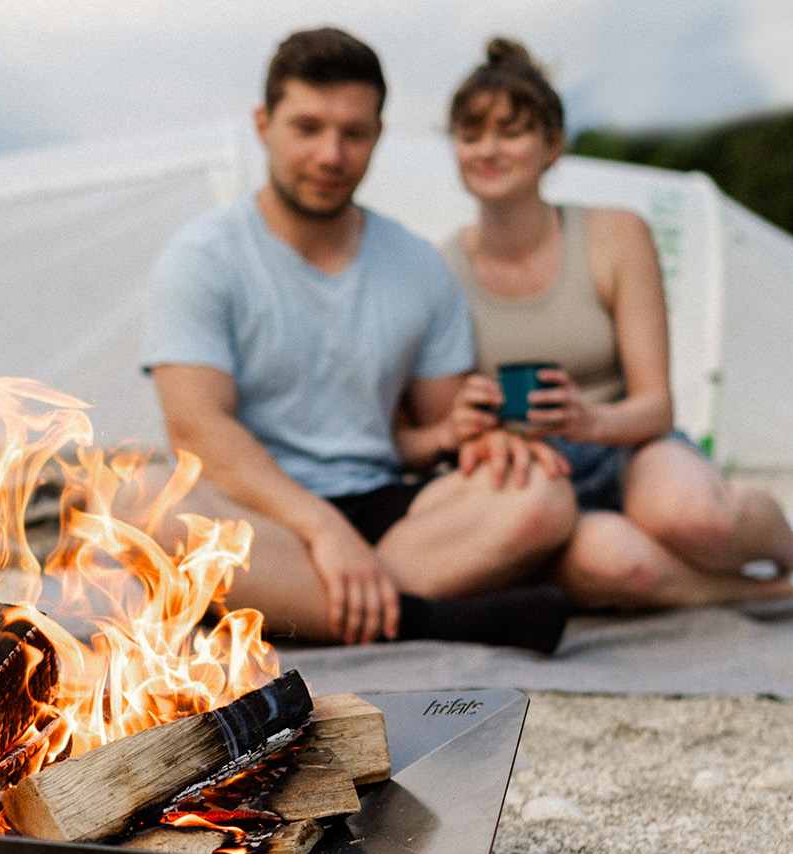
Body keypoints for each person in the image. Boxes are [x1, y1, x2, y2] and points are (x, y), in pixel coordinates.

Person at [142, 27, 576, 650]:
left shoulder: (418, 264)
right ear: (263, 125)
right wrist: (320, 529)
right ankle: (424, 620)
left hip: (385, 508)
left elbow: (441, 431)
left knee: (543, 498)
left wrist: (487, 437)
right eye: (308, 128)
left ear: (378, 134)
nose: (330, 154)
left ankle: (302, 604)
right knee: (141, 499)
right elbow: (198, 431)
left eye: (354, 133)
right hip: (256, 509)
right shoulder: (202, 258)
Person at [440, 38, 793, 610]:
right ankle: (786, 592)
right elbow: (440, 417)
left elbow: (656, 406)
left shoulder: (616, 235)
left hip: (630, 442)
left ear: (553, 145)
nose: (488, 149)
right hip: (537, 479)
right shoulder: (442, 268)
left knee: (699, 522)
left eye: (510, 131)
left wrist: (588, 420)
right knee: (615, 568)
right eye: (470, 134)